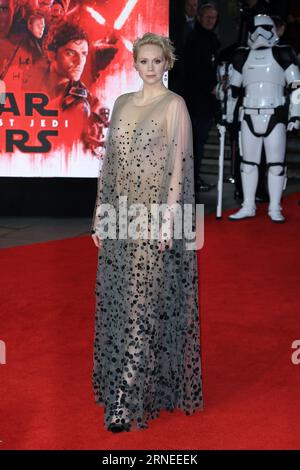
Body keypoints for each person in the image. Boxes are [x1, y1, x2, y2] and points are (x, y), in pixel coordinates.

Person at [91, 32, 203, 433]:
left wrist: (169, 222)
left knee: (141, 307)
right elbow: (109, 165)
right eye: (144, 61)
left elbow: (178, 169)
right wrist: (100, 217)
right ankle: (136, 383)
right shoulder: (121, 103)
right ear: (135, 63)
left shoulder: (175, 106)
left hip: (153, 218)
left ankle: (124, 398)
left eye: (158, 61)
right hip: (120, 215)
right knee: (121, 304)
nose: (151, 67)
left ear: (167, 63)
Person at [227, 14, 300, 223]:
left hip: (274, 114)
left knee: (276, 165)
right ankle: (248, 205)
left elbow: (296, 86)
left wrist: (295, 115)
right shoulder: (242, 56)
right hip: (248, 114)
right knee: (248, 164)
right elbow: (233, 90)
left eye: (265, 27)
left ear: (273, 29)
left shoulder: (283, 53)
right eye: (255, 28)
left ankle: (274, 207)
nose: (260, 33)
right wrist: (228, 115)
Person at [183, 3, 220, 196]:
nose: (210, 21)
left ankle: (194, 179)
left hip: (204, 103)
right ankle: (191, 181)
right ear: (199, 17)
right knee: (194, 144)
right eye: (207, 17)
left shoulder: (211, 39)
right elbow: (194, 71)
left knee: (199, 143)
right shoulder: (195, 39)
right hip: (195, 102)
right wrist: (211, 86)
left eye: (213, 18)